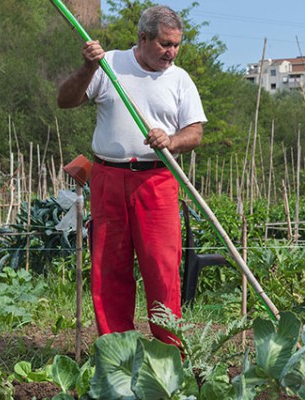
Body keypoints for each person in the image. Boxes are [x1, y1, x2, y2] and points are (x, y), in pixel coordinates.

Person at [57, 5, 205, 346]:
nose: (172, 52)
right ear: (143, 38)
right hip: (109, 177)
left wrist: (171, 140)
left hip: (156, 180)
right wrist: (87, 68)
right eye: (165, 44)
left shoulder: (179, 79)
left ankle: (170, 350)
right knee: (110, 266)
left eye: (177, 45)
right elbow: (65, 101)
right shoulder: (108, 64)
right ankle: (116, 348)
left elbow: (194, 132)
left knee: (161, 266)